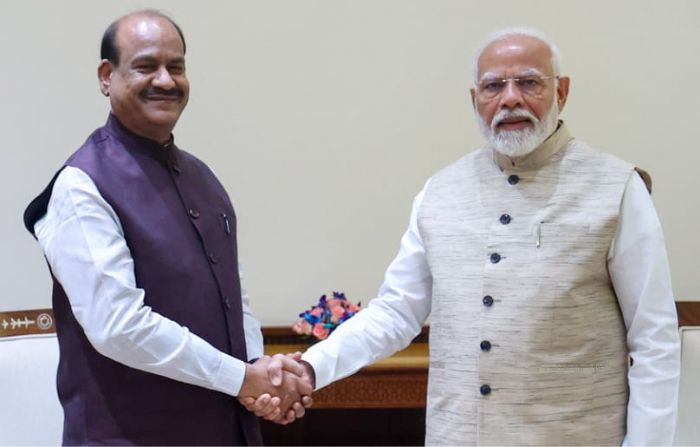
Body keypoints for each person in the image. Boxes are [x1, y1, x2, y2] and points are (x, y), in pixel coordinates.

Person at [252, 27, 681, 445]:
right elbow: (397, 311)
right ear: (475, 100)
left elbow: (654, 340)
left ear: (562, 91)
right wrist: (310, 369)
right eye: (494, 86)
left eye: (529, 82)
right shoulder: (440, 191)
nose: (510, 97)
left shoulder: (618, 188)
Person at [23, 10, 309, 445]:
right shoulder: (81, 185)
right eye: (146, 66)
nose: (165, 80)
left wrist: (257, 368)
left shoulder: (202, 177)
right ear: (106, 76)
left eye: (176, 67)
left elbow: (235, 294)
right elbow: (120, 327)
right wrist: (243, 379)